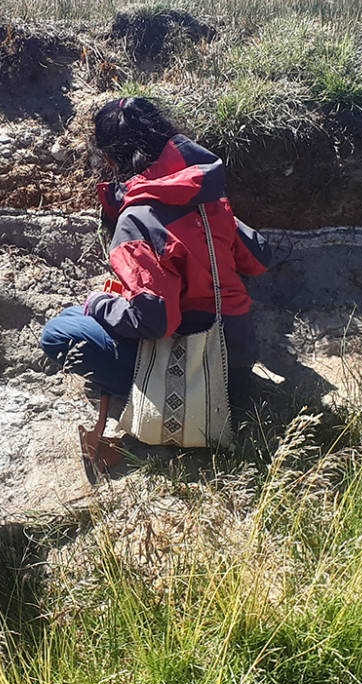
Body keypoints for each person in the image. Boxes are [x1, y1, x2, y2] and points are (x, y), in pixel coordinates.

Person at [40, 96, 268, 444]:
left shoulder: (138, 218)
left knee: (62, 330)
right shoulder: (210, 197)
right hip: (237, 361)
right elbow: (259, 254)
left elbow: (158, 321)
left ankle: (149, 395)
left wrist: (99, 304)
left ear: (111, 159)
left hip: (199, 377)